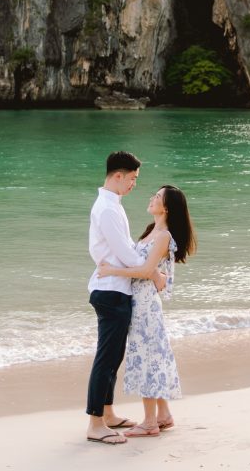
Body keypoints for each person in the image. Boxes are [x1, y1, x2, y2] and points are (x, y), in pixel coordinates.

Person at [97, 184, 196, 437]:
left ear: (167, 207)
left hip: (146, 306)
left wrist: (111, 271)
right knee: (151, 355)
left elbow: (142, 271)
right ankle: (163, 415)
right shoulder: (152, 231)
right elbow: (148, 269)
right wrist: (153, 274)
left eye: (158, 197)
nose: (152, 199)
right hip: (138, 302)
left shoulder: (163, 236)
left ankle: (150, 422)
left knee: (147, 358)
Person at [86, 150, 166, 446]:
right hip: (110, 290)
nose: (134, 184)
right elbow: (127, 253)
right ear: (117, 176)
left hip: (116, 287)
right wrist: (153, 272)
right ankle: (95, 423)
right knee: (106, 359)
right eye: (132, 179)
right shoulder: (107, 209)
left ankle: (107, 414)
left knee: (113, 356)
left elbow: (124, 251)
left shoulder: (113, 205)